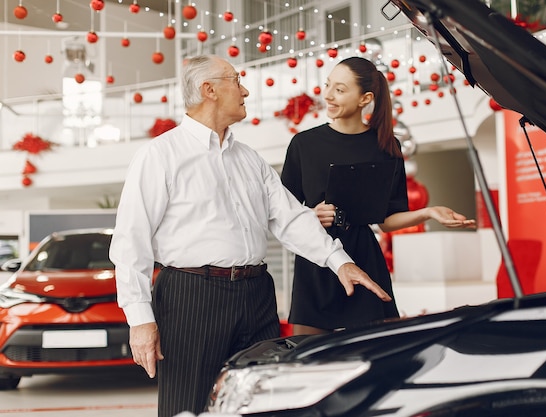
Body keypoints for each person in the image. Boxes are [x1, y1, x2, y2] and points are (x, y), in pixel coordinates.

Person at [109, 54, 391, 417]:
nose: (245, 89)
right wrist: (140, 320)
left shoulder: (249, 159)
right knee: (190, 407)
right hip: (192, 296)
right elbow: (131, 242)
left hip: (256, 294)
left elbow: (290, 219)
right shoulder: (160, 155)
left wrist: (340, 263)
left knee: (264, 403)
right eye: (235, 80)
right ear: (208, 90)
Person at [281, 56, 476, 336]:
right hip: (317, 262)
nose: (328, 95)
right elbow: (282, 210)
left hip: (366, 260)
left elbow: (385, 221)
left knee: (374, 353)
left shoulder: (386, 146)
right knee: (309, 360)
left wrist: (429, 212)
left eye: (339, 89)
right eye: (327, 86)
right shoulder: (304, 144)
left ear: (365, 98)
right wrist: (310, 215)